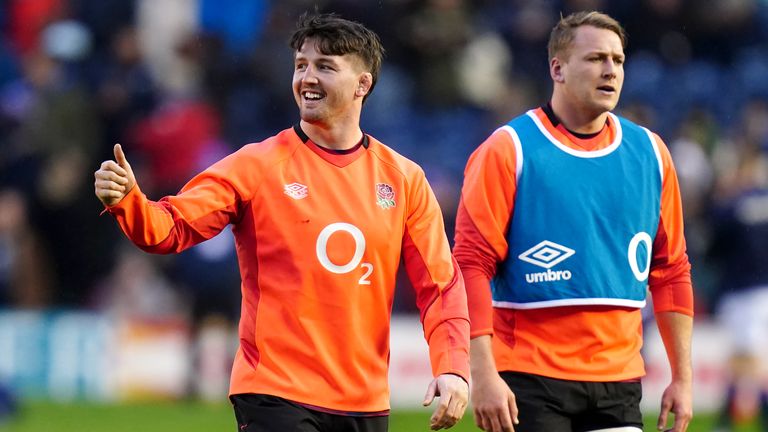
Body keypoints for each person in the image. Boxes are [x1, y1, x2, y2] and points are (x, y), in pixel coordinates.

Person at [94, 13, 470, 432]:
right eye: (301, 65)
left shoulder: (404, 180)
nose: (307, 78)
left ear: (363, 84)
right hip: (275, 392)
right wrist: (128, 200)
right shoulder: (258, 165)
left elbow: (440, 286)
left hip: (365, 402)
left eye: (325, 67)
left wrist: (452, 366)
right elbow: (172, 227)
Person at [453, 11, 694, 432]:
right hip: (527, 376)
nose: (610, 70)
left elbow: (671, 271)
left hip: (618, 378)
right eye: (596, 58)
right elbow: (470, 264)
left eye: (618, 60)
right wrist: (483, 373)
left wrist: (682, 378)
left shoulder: (651, 153)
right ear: (557, 68)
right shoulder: (508, 149)